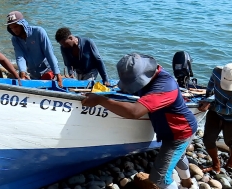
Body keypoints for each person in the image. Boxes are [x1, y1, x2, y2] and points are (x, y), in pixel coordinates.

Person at [82, 53, 198, 189]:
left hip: (181, 133)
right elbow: (129, 91)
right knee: (177, 157)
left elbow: (134, 112)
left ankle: (185, 184)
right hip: (172, 131)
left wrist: (100, 100)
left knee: (159, 177)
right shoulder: (151, 77)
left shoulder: (164, 86)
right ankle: (188, 183)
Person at [198, 63, 232, 173]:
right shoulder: (216, 71)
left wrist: (210, 106)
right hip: (215, 110)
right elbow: (211, 82)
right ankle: (216, 164)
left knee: (230, 141)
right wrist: (207, 96)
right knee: (208, 139)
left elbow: (228, 110)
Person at [5, 11, 63, 87]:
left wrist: (57, 73)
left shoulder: (39, 32)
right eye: (11, 28)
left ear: (22, 24)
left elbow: (49, 53)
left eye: (16, 26)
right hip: (32, 72)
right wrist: (23, 72)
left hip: (47, 70)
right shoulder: (15, 39)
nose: (14, 30)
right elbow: (20, 57)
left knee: (46, 80)